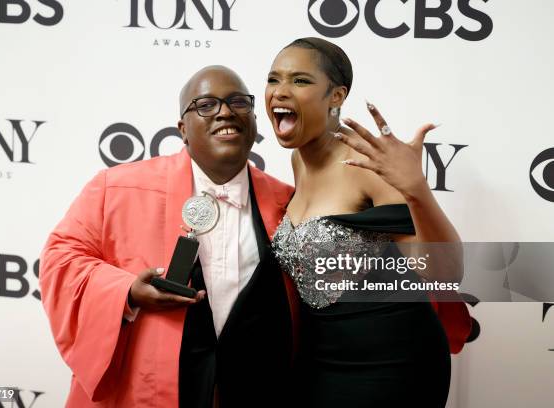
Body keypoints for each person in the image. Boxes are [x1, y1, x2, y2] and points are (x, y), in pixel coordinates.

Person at [39, 65, 298, 408]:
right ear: (183, 130)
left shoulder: (290, 203)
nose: (225, 111)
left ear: (253, 121)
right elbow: (60, 259)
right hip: (150, 390)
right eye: (205, 104)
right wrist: (127, 291)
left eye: (238, 102)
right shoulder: (115, 188)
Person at [266, 37, 472, 407]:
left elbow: (445, 274)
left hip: (392, 365)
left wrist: (417, 191)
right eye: (273, 79)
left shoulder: (367, 163)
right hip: (320, 361)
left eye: (299, 80)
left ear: (336, 96)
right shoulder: (299, 161)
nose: (281, 91)